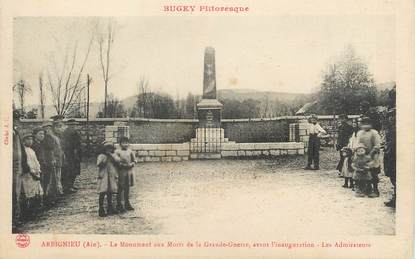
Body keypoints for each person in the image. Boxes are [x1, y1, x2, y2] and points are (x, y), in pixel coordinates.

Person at [356, 117, 382, 198]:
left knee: (373, 172)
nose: (365, 126)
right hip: (362, 155)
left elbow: (377, 145)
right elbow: (358, 144)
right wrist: (359, 152)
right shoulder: (360, 133)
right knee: (364, 172)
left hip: (373, 156)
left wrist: (370, 155)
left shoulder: (374, 133)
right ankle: (367, 189)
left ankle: (375, 190)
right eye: (364, 123)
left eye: (368, 123)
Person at [21, 134, 44, 218]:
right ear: (23, 141)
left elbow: (36, 161)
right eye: (28, 139)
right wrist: (33, 173)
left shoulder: (31, 150)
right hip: (29, 175)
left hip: (36, 173)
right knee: (29, 192)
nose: (30, 141)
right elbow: (28, 163)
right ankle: (29, 212)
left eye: (31, 139)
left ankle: (36, 209)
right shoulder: (24, 151)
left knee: (36, 192)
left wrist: (38, 170)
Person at [42, 120, 64, 204]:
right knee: (51, 179)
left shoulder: (53, 137)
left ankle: (56, 193)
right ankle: (51, 196)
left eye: (49, 128)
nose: (48, 130)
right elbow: (50, 148)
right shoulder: (45, 138)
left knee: (56, 177)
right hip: (50, 160)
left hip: (56, 159)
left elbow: (58, 148)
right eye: (46, 128)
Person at [96, 141, 121, 217]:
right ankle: (101, 208)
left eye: (110, 148)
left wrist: (111, 156)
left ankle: (110, 207)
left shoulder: (113, 155)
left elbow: (118, 161)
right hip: (103, 176)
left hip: (111, 177)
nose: (108, 150)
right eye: (107, 148)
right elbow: (99, 164)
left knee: (110, 192)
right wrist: (105, 158)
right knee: (102, 192)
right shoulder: (101, 156)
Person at [115, 137, 136, 212]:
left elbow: (134, 160)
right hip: (121, 172)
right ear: (120, 144)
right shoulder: (117, 152)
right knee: (120, 188)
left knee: (127, 188)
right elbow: (116, 162)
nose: (125, 144)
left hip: (129, 172)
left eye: (127, 142)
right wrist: (122, 165)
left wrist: (132, 164)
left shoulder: (130, 151)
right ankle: (119, 204)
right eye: (123, 143)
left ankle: (127, 203)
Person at [61, 119, 82, 194]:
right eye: (72, 125)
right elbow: (66, 145)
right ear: (68, 125)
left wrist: (78, 152)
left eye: (75, 125)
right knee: (69, 171)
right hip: (69, 154)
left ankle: (71, 185)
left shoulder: (75, 132)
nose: (74, 126)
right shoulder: (66, 133)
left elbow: (78, 143)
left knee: (75, 171)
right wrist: (73, 150)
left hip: (76, 154)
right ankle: (67, 187)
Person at [384, 87, 396, 207]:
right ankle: (396, 197)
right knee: (392, 173)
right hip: (391, 149)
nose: (391, 118)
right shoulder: (390, 126)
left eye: (393, 116)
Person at [12, 110, 23, 230]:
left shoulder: (16, 132)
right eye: (16, 119)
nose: (18, 121)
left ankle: (16, 218)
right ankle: (13, 221)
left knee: (17, 193)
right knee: (13, 193)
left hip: (18, 167)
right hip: (12, 168)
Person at [32, 127, 47, 193]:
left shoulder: (41, 144)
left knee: (42, 183)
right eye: (40, 134)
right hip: (37, 167)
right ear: (35, 135)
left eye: (43, 134)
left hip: (42, 166)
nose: (42, 135)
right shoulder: (34, 145)